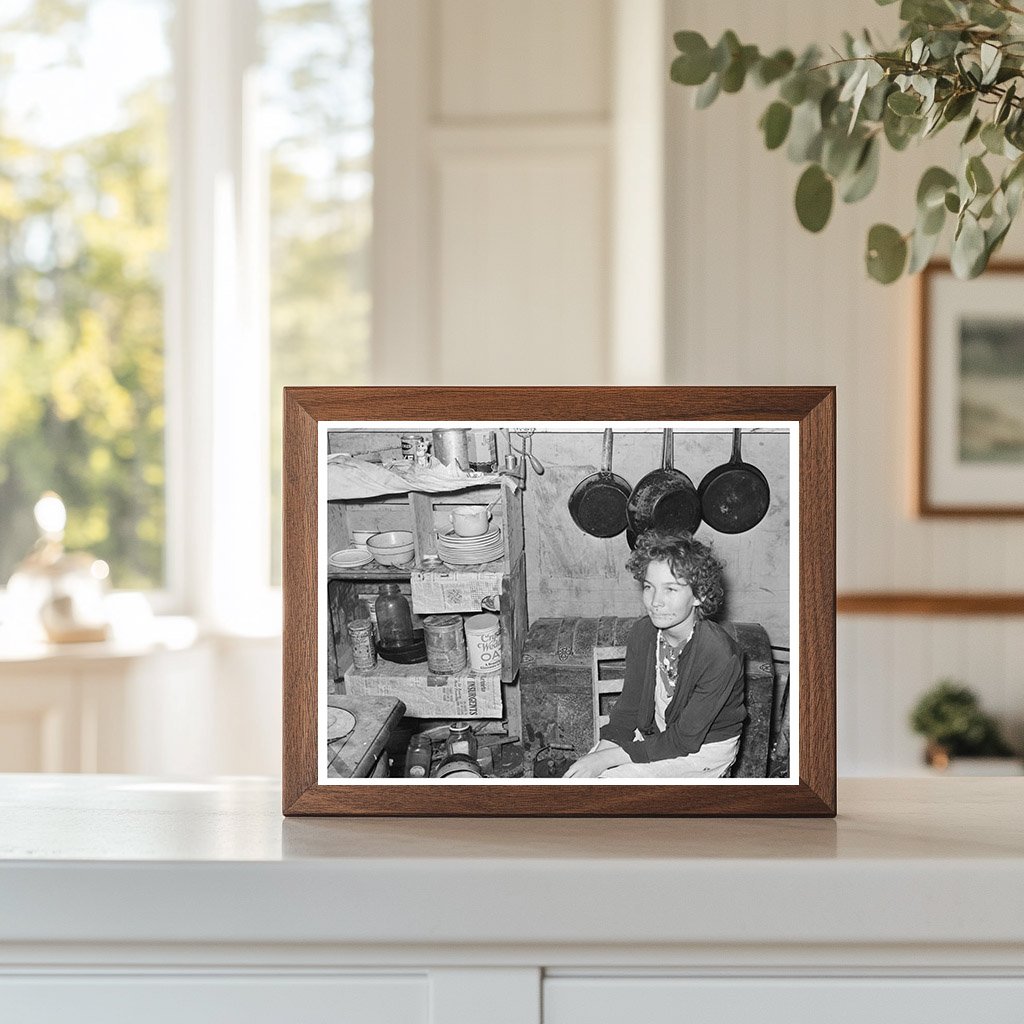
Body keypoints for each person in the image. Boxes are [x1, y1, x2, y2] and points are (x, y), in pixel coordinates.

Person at [564, 529, 746, 779]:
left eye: (670, 589)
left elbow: (683, 741)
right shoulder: (643, 632)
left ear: (699, 595)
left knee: (607, 786)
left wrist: (606, 760)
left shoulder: (719, 654)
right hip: (657, 731)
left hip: (703, 749)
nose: (655, 602)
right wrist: (598, 755)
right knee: (582, 780)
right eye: (649, 587)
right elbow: (629, 708)